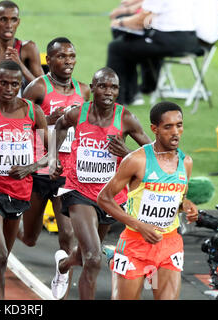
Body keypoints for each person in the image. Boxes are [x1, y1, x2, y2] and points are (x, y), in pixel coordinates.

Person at [49, 67, 152, 300]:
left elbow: (152, 154)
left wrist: (127, 152)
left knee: (86, 252)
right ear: (92, 88)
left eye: (113, 87)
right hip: (78, 191)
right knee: (94, 258)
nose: (108, 91)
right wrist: (54, 157)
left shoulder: (125, 118)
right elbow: (61, 126)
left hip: (110, 196)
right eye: (103, 86)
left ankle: (64, 264)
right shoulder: (78, 113)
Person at [0, 60, 53, 299]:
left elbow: (51, 154)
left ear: (20, 85)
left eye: (14, 84)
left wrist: (30, 168)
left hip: (19, 192)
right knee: (1, 254)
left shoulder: (33, 112)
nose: (8, 88)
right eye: (3, 83)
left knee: (3, 258)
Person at [97, 101, 198, 300]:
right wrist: (140, 226)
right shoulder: (137, 160)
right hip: (135, 245)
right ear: (154, 129)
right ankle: (117, 257)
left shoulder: (186, 162)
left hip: (169, 244)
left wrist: (185, 205)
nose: (175, 132)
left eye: (179, 125)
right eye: (168, 127)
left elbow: (177, 199)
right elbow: (104, 198)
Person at [18, 37, 89, 261]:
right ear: (49, 60)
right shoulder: (38, 88)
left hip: (66, 174)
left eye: (71, 56)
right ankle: (3, 229)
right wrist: (47, 119)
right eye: (61, 56)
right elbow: (17, 124)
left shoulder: (84, 91)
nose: (68, 61)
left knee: (67, 233)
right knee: (30, 238)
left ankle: (62, 283)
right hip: (39, 172)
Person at [107, 0, 200, 105]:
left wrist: (120, 22)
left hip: (169, 40)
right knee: (129, 44)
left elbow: (141, 21)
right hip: (190, 40)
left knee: (116, 48)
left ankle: (114, 101)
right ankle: (134, 93)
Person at [0, 0, 44, 92]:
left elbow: (44, 90)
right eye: (3, 19)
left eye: (13, 20)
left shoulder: (28, 48)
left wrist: (20, 64)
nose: (9, 25)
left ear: (18, 22)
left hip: (17, 106)